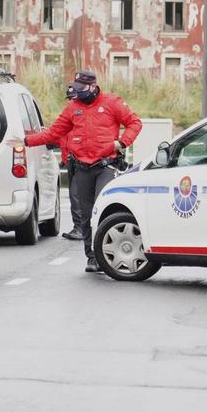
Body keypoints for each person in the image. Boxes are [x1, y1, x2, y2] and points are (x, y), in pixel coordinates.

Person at [19, 72, 141, 272]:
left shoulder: (112, 103)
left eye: (82, 89)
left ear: (93, 86)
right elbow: (54, 133)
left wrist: (121, 142)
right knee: (86, 216)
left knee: (102, 208)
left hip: (106, 165)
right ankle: (92, 258)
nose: (79, 93)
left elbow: (135, 123)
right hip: (82, 167)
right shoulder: (73, 107)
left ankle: (107, 254)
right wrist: (26, 141)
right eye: (77, 89)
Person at [59, 84, 85, 241]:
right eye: (69, 99)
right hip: (70, 162)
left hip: (81, 162)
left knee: (77, 196)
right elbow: (57, 136)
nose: (70, 102)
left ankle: (80, 228)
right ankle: (80, 227)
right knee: (74, 196)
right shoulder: (68, 117)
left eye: (73, 98)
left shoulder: (81, 118)